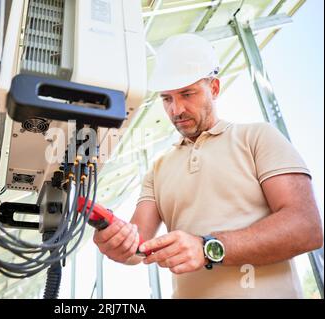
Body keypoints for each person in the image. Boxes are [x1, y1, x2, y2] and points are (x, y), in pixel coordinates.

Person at [92, 33, 323, 298]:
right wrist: (115, 242)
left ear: (214, 88)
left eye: (187, 94)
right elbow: (138, 246)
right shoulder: (158, 169)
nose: (176, 109)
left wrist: (208, 248)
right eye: (167, 98)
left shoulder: (257, 137)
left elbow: (306, 227)